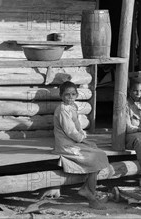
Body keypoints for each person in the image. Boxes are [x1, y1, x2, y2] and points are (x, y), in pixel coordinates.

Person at [53, 81, 109, 209]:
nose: (71, 97)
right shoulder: (62, 109)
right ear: (61, 96)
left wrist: (84, 138)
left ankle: (87, 188)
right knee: (97, 156)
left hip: (74, 142)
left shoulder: (72, 108)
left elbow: (77, 127)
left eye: (73, 94)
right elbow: (70, 131)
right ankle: (90, 194)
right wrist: (82, 138)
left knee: (96, 150)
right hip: (66, 145)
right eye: (67, 95)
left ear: (77, 95)